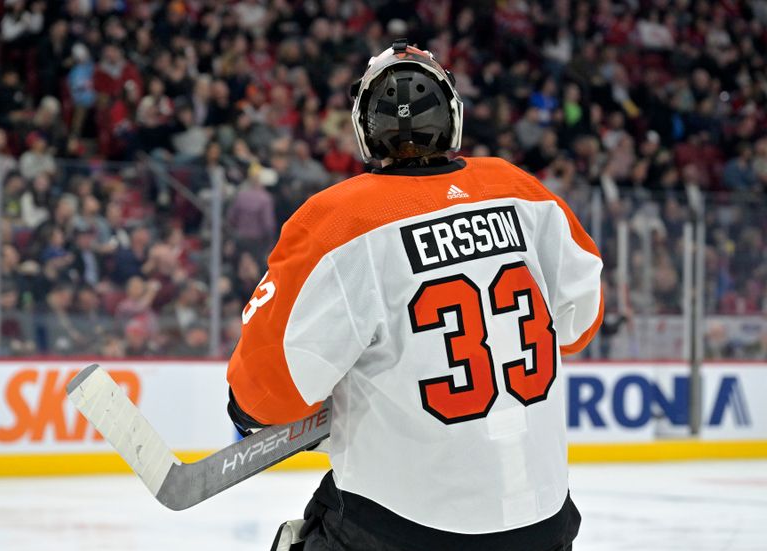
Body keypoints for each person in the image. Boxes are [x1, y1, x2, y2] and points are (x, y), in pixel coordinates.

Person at [226, 41, 603, 551]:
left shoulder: (339, 222)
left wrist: (252, 415)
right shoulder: (523, 192)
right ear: (453, 117)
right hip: (545, 522)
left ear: (365, 131)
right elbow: (581, 325)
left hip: (400, 529)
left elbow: (266, 396)